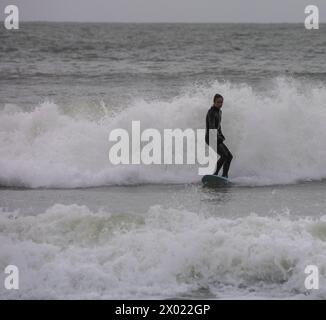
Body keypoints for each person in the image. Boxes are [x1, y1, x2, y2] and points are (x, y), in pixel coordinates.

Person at [205, 94, 233, 178]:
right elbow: (212, 126)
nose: (220, 104)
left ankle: (225, 176)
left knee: (229, 156)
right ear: (214, 102)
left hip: (216, 137)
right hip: (211, 137)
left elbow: (218, 126)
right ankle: (215, 173)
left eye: (221, 102)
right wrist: (217, 136)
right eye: (218, 102)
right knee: (224, 155)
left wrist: (221, 134)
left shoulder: (220, 112)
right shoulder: (211, 112)